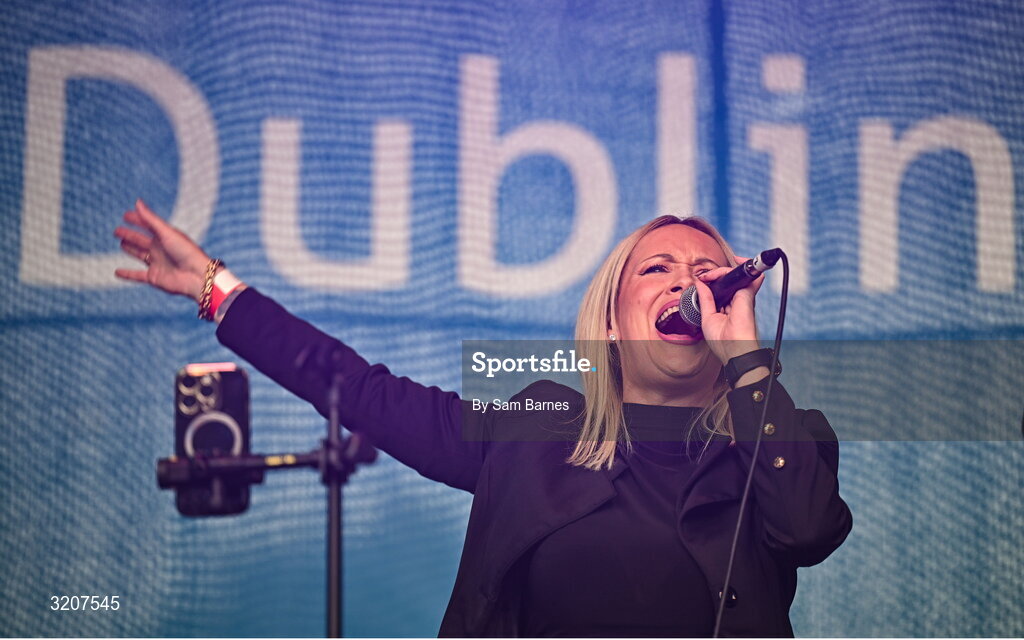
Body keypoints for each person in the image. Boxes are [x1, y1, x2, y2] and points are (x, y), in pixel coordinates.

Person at [115, 200, 852, 637]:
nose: (690, 286)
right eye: (657, 270)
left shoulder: (785, 443)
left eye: (706, 274)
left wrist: (747, 365)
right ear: (611, 317)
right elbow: (361, 391)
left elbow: (809, 531)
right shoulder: (534, 434)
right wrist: (217, 291)